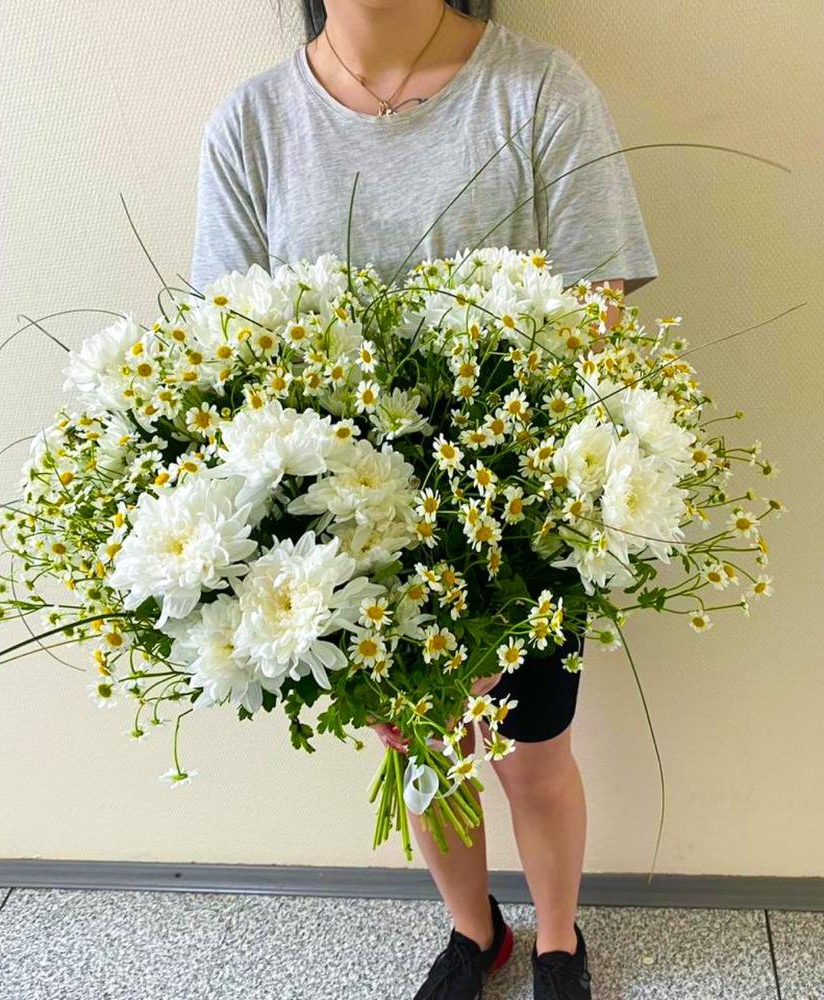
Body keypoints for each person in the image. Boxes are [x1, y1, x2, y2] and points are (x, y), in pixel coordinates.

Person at [189, 2, 659, 997]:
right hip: (347, 531)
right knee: (426, 751)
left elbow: (597, 316)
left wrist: (494, 554)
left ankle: (559, 939)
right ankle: (473, 932)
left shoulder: (540, 92)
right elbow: (229, 350)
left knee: (533, 756)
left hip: (524, 513)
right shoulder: (254, 121)